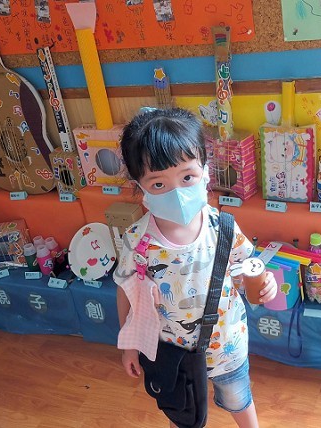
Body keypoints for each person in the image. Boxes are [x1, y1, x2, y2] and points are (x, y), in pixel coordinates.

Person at [114, 107, 278, 428]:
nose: (176, 193)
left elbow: (247, 272)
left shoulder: (223, 227)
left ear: (205, 169)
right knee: (181, 412)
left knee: (239, 399)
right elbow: (126, 293)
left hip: (226, 346)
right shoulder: (137, 241)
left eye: (187, 177)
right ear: (139, 185)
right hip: (171, 352)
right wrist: (130, 346)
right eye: (158, 184)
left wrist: (265, 284)